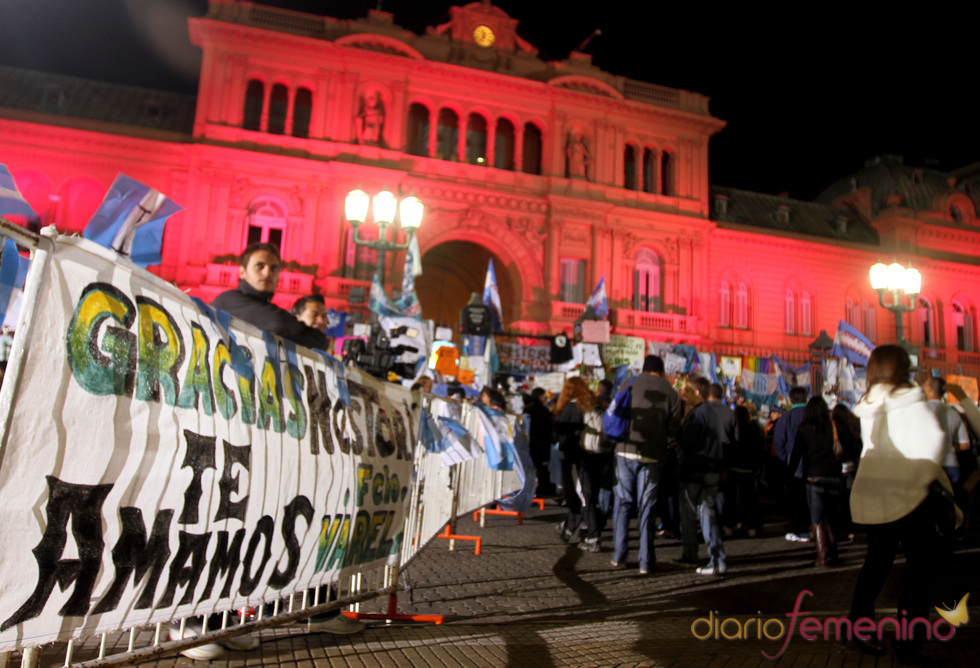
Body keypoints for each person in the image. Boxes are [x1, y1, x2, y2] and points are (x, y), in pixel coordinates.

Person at [846, 345, 955, 662]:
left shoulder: (868, 401)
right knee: (920, 568)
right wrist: (921, 475)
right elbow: (934, 441)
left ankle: (859, 624)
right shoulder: (908, 397)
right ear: (902, 368)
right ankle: (909, 636)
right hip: (908, 495)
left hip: (875, 494)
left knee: (877, 564)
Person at [611, 355, 683, 574]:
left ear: (643, 369)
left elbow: (615, 413)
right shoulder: (671, 392)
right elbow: (674, 428)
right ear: (660, 371)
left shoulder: (629, 383)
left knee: (623, 504)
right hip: (653, 456)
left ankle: (619, 555)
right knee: (647, 508)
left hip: (625, 451)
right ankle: (646, 562)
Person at [212, 243, 328, 351]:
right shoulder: (228, 301)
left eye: (274, 268)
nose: (267, 273)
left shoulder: (263, 305)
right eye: (259, 266)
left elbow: (320, 341)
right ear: (242, 272)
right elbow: (279, 324)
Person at [678, 379, 735, 576]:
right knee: (707, 513)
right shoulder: (713, 412)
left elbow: (687, 443)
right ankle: (717, 558)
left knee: (690, 513)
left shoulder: (697, 414)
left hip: (696, 471)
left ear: (697, 392)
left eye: (688, 390)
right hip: (713, 470)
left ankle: (691, 553)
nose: (684, 393)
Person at [553, 377, 610, 552]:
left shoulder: (570, 408)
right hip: (597, 455)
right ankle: (569, 528)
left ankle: (593, 537)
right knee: (586, 494)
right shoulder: (595, 404)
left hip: (575, 458)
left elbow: (557, 436)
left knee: (582, 495)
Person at [788, 397, 846, 566]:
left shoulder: (804, 429)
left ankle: (822, 555)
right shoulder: (833, 427)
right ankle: (834, 553)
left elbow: (796, 456)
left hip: (813, 478)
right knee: (831, 518)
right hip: (834, 475)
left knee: (818, 519)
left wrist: (790, 476)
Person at [773, 386, 811, 542]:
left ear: (791, 399)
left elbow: (778, 441)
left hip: (793, 459)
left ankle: (800, 530)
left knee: (797, 496)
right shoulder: (813, 416)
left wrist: (785, 458)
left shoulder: (786, 418)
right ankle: (813, 527)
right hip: (813, 459)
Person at [721, 404, 765, 537]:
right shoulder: (754, 429)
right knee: (750, 499)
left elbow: (726, 446)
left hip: (733, 468)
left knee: (730, 499)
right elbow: (760, 449)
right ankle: (752, 526)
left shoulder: (731, 428)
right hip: (749, 469)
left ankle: (729, 525)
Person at [525, 387, 556, 495]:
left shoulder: (529, 408)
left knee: (535, 466)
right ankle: (544, 488)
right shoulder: (541, 410)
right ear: (539, 396)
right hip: (541, 442)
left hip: (533, 441)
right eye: (544, 396)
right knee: (542, 466)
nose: (545, 398)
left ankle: (538, 488)